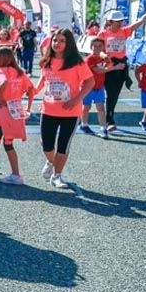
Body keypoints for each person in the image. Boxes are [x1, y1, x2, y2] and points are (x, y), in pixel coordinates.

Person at [35, 29, 95, 189]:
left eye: (62, 41)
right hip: (48, 109)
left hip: (71, 111)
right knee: (46, 145)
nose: (57, 44)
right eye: (55, 40)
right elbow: (44, 78)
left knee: (63, 145)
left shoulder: (77, 62)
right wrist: (34, 90)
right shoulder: (46, 60)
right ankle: (50, 161)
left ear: (68, 43)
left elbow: (90, 82)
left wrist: (76, 99)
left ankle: (57, 175)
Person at [0, 48, 36, 185]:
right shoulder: (20, 73)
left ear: (1, 59)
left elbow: (4, 82)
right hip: (16, 111)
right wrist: (28, 108)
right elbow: (31, 90)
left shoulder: (1, 71)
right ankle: (16, 175)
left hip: (3, 112)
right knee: (8, 144)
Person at [98, 6, 146, 129]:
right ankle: (110, 120)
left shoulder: (124, 31)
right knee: (110, 93)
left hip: (122, 65)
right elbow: (98, 51)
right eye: (117, 21)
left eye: (121, 21)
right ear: (110, 22)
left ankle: (110, 117)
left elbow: (141, 20)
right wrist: (105, 57)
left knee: (115, 94)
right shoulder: (103, 34)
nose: (120, 23)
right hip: (110, 65)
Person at [80, 38, 119, 137]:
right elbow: (98, 71)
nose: (97, 48)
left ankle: (103, 128)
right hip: (87, 87)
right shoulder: (89, 59)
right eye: (95, 46)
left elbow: (109, 64)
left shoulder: (102, 57)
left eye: (100, 46)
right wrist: (115, 68)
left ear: (103, 47)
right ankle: (84, 124)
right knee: (86, 107)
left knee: (101, 108)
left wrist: (107, 58)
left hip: (99, 87)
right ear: (90, 47)